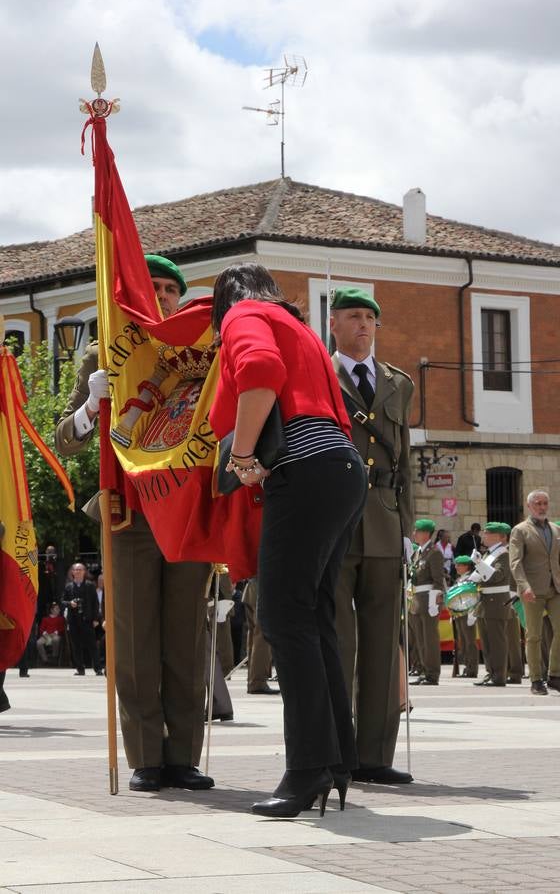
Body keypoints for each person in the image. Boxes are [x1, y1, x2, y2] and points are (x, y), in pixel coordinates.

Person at [209, 263, 367, 818]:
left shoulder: (244, 314)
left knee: (282, 617)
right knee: (314, 615)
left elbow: (258, 369)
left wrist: (244, 453)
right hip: (342, 468)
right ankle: (336, 761)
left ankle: (306, 770)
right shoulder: (299, 327)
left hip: (303, 471)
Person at [55, 254, 213, 792]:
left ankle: (184, 757)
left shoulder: (201, 352)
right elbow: (65, 439)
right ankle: (146, 757)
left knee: (185, 639)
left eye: (172, 290)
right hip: (129, 511)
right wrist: (90, 406)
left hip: (186, 511)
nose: (164, 297)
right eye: (155, 289)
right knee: (136, 638)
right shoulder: (106, 356)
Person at [329, 286, 414, 785]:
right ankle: (336, 749)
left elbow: (404, 462)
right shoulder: (317, 372)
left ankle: (375, 755)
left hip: (383, 517)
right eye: (353, 316)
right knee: (337, 641)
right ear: (333, 324)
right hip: (335, 518)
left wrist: (406, 524)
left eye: (370, 317)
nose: (363, 325)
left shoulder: (397, 383)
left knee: (384, 641)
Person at [510, 491, 560, 695]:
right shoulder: (520, 530)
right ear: (529, 506)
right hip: (532, 590)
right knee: (534, 636)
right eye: (537, 503)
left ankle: (555, 675)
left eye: (545, 503)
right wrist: (524, 586)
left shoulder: (555, 530)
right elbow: (515, 562)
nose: (542, 507)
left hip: (555, 587)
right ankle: (536, 679)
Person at [468, 523, 512, 688]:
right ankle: (490, 672)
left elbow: (497, 577)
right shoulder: (488, 554)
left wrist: (479, 563)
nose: (484, 535)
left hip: (497, 602)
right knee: (486, 642)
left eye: (488, 533)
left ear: (501, 537)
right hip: (485, 601)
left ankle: (499, 676)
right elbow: (479, 576)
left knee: (497, 641)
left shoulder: (504, 554)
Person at [409, 519, 445, 686]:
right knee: (420, 639)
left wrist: (434, 601)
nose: (414, 533)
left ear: (426, 533)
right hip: (416, 600)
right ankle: (424, 670)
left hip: (428, 599)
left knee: (429, 639)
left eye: (417, 530)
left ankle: (432, 674)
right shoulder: (418, 553)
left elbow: (438, 580)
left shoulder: (434, 552)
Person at [62, 563, 103, 676]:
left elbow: (95, 603)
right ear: (72, 572)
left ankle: (98, 668)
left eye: (80, 569)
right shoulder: (68, 587)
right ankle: (80, 669)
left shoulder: (90, 586)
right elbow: (62, 602)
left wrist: (95, 619)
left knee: (92, 645)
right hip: (73, 620)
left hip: (87, 619)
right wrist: (70, 603)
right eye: (76, 570)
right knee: (76, 645)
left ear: (84, 572)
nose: (78, 571)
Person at [243, 577, 278, 695]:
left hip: (252, 586)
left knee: (254, 635)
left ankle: (254, 680)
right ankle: (257, 682)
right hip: (262, 586)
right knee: (263, 636)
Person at [452, 556, 479, 678]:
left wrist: (472, 613)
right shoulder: (459, 579)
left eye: (459, 565)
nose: (456, 567)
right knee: (463, 642)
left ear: (466, 566)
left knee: (470, 642)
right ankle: (467, 666)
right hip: (459, 614)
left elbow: (474, 597)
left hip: (467, 613)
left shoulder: (470, 579)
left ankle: (472, 669)